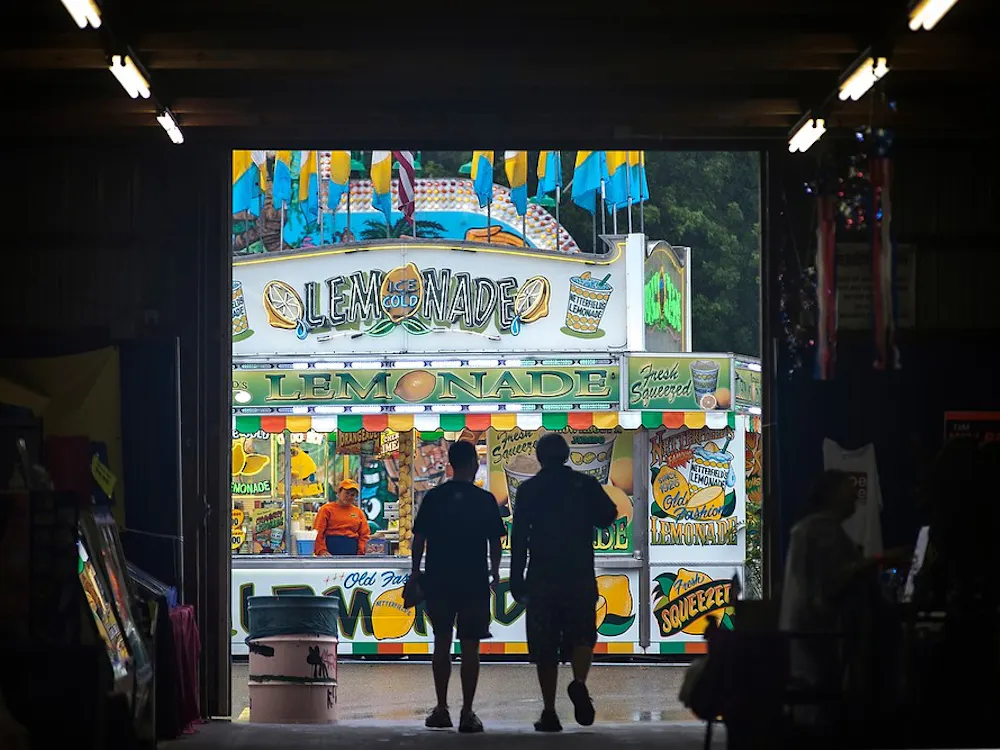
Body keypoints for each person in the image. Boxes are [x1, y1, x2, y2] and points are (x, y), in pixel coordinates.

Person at [778, 469, 907, 733]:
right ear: (833, 493)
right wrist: (881, 559)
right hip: (818, 635)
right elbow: (837, 578)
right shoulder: (821, 529)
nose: (855, 496)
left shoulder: (809, 528)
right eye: (848, 489)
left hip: (805, 632)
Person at [510, 433, 617, 732]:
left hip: (542, 578)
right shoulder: (584, 484)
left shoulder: (529, 490)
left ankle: (549, 712)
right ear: (567, 455)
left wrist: (516, 578)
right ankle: (579, 682)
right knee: (583, 636)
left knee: (545, 647)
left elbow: (519, 538)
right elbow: (608, 516)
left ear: (540, 458)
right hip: (579, 575)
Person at [411, 440, 505, 733]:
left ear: (450, 464)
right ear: (474, 464)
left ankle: (441, 708)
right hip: (473, 580)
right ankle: (467, 712)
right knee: (470, 646)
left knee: (441, 642)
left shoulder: (434, 497)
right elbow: (495, 542)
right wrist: (494, 572)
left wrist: (415, 572)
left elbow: (419, 539)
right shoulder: (485, 499)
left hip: (439, 579)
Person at [313, 478, 370, 556]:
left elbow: (364, 535)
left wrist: (361, 552)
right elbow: (318, 532)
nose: (349, 497)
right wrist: (321, 551)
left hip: (352, 552)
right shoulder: (326, 509)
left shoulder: (358, 512)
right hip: (330, 551)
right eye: (347, 493)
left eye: (352, 495)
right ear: (339, 492)